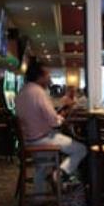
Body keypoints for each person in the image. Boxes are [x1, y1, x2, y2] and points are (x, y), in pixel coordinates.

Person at [15, 63, 86, 191]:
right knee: (81, 149)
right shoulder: (39, 92)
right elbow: (53, 121)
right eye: (47, 74)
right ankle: (59, 174)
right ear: (39, 77)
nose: (49, 78)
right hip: (42, 139)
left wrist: (57, 118)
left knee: (42, 164)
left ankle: (39, 198)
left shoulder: (22, 92)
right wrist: (61, 118)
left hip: (29, 141)